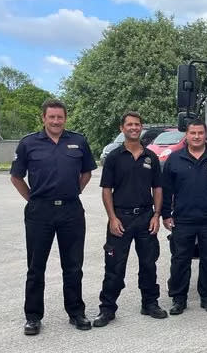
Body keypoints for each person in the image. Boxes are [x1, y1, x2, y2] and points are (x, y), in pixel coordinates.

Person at [10, 99, 97, 335]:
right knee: (36, 267)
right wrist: (33, 199)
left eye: (60, 117)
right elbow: (16, 177)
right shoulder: (29, 143)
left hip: (71, 210)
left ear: (65, 118)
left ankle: (76, 313)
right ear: (44, 118)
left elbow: (87, 172)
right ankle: (33, 317)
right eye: (52, 117)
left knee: (73, 265)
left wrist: (75, 191)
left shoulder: (78, 141)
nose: (56, 121)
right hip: (40, 212)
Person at [93, 111, 167, 328]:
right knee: (114, 265)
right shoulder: (114, 157)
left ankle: (150, 303)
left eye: (137, 124)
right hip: (120, 218)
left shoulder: (150, 157)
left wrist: (156, 215)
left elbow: (158, 188)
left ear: (141, 128)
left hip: (145, 216)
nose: (134, 128)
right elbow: (106, 190)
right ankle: (107, 309)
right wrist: (112, 218)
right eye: (130, 125)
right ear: (122, 128)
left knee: (148, 264)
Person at [161, 120, 207, 315]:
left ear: (205, 135)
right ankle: (178, 299)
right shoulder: (174, 159)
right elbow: (166, 190)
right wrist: (165, 214)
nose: (196, 136)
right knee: (180, 259)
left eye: (200, 133)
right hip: (183, 218)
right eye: (193, 133)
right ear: (187, 135)